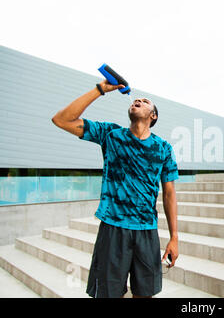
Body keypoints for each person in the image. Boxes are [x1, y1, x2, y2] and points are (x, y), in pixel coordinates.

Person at [51, 80, 179, 298]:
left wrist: (174, 237)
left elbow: (169, 193)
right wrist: (100, 90)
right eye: (136, 100)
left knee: (145, 293)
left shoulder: (163, 148)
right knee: (108, 294)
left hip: (146, 230)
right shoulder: (110, 135)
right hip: (112, 228)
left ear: (153, 116)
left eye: (145, 101)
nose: (138, 100)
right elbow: (61, 120)